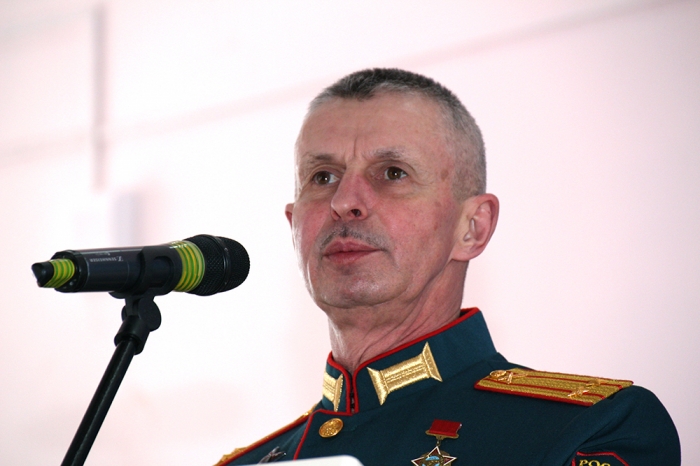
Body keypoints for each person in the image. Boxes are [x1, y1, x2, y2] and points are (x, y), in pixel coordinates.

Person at [215, 69, 680, 466]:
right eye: (323, 177)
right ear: (294, 226)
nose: (345, 201)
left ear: (472, 227)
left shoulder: (589, 427)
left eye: (392, 172)